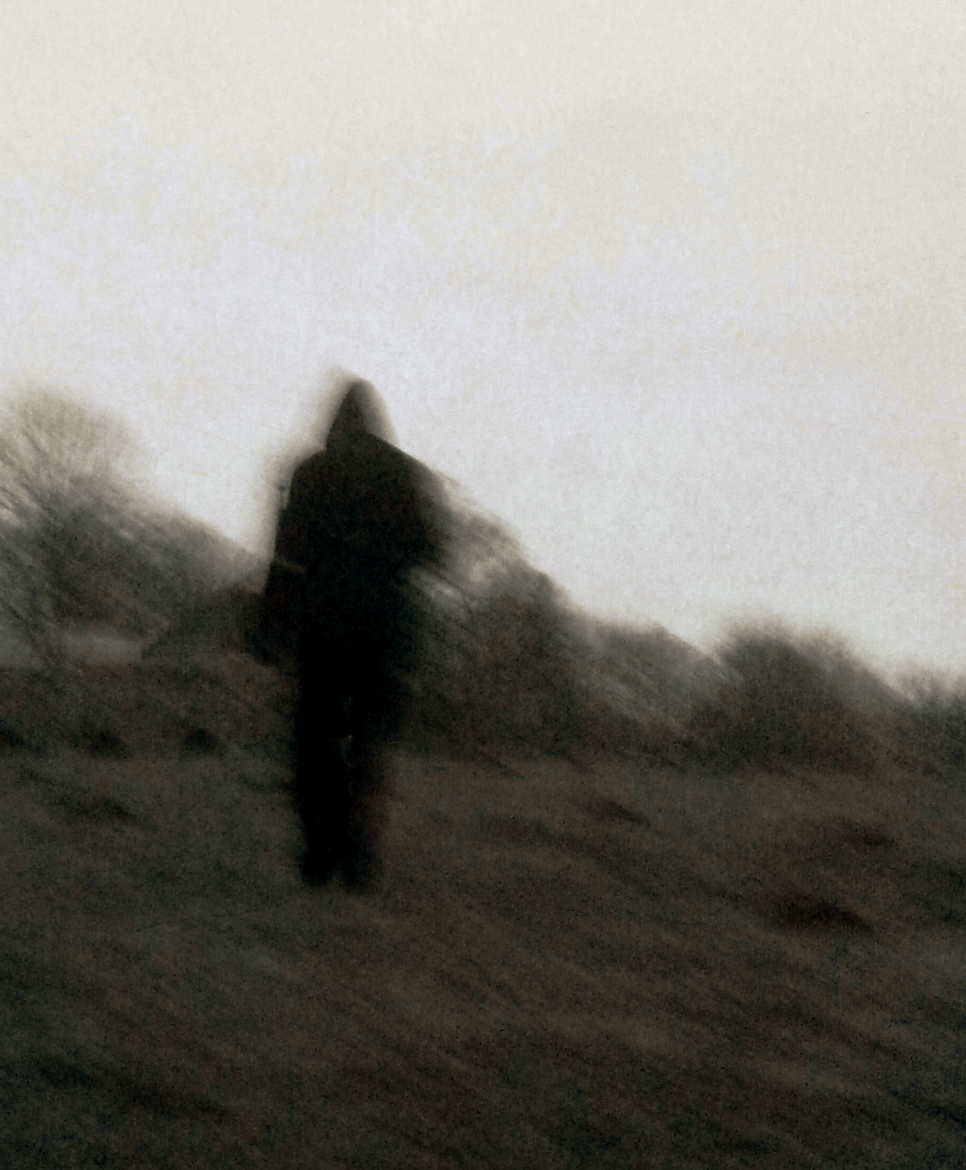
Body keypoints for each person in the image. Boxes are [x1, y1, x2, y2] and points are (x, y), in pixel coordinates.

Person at [259, 379, 442, 889]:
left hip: (324, 628)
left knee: (317, 739)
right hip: (388, 633)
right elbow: (433, 551)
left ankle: (322, 848)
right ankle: (361, 856)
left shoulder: (310, 472)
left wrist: (271, 625)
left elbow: (286, 556)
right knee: (371, 747)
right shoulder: (407, 474)